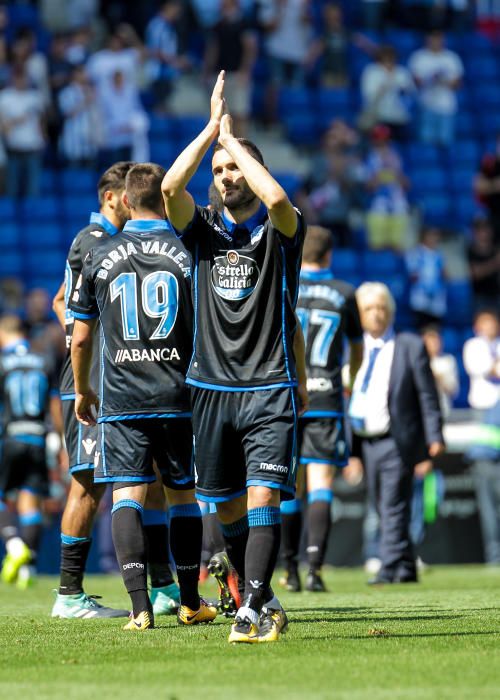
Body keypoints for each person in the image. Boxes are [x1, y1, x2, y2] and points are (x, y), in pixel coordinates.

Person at [161, 71, 307, 643]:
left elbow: (275, 197)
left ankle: (248, 613)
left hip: (268, 386)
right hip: (211, 389)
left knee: (263, 495)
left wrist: (234, 141)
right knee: (223, 509)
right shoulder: (200, 234)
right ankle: (261, 596)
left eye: (233, 169)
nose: (224, 177)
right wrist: (210, 132)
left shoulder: (281, 231)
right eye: (219, 172)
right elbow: (172, 189)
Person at [70, 162, 217, 631]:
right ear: (166, 198)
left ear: (126, 200)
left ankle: (139, 609)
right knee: (182, 498)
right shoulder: (188, 250)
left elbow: (79, 339)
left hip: (123, 398)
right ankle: (191, 601)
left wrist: (82, 390)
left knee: (127, 496)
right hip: (178, 396)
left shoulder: (100, 254)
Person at [51, 162, 177, 620]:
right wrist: (76, 343)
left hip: (118, 380)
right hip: (89, 384)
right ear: (113, 198)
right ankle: (68, 592)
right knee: (88, 484)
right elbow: (71, 309)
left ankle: (164, 585)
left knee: (155, 482)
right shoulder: (96, 241)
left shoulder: (103, 246)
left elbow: (59, 300)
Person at [280, 226, 363, 592]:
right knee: (320, 486)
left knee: (288, 486)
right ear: (330, 255)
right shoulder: (345, 293)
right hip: (327, 397)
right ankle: (315, 569)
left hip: (289, 396)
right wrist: (349, 379)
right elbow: (358, 349)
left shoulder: (285, 285)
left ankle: (290, 571)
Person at [349, 282, 444, 583]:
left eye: (381, 308)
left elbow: (427, 395)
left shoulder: (409, 345)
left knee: (391, 503)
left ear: (390, 312)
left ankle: (388, 564)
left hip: (397, 438)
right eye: (368, 309)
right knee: (383, 502)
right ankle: (405, 566)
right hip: (365, 439)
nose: (375, 315)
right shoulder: (354, 349)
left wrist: (434, 436)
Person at [0, 315, 63, 588]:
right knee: (30, 501)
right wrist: (59, 441)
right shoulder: (43, 360)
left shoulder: (2, 361)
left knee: (2, 498)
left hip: (10, 437)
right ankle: (29, 568)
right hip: (38, 438)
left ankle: (14, 546)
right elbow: (55, 405)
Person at [203, 0, 257, 136]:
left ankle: (242, 147)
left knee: (240, 113)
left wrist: (245, 71)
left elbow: (250, 48)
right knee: (220, 116)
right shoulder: (217, 25)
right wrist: (207, 71)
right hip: (220, 75)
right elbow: (213, 50)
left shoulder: (245, 24)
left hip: (237, 75)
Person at [408, 31, 463, 147]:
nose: (436, 42)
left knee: (446, 143)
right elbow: (415, 82)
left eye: (439, 39)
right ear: (427, 39)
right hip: (425, 105)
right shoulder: (419, 57)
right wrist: (431, 79)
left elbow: (458, 84)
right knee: (425, 144)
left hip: (447, 107)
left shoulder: (451, 58)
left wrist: (444, 81)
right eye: (433, 38)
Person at [0, 67, 46, 198]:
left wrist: (43, 137)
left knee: (33, 188)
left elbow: (41, 121)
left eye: (24, 77)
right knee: (12, 188)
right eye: (18, 77)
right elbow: (2, 123)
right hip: (13, 148)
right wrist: (17, 121)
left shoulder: (35, 96)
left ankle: (33, 215)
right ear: (13, 79)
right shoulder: (4, 96)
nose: (21, 81)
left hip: (33, 147)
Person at [364, 125, 410, 251]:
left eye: (384, 138)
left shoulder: (397, 156)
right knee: (376, 246)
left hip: (397, 202)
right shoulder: (370, 158)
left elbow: (407, 183)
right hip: (378, 202)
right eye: (378, 138)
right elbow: (368, 186)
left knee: (397, 246)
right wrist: (378, 177)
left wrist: (396, 175)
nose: (381, 141)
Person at [360, 45, 414, 141]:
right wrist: (384, 87)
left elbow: (411, 92)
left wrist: (403, 90)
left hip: (399, 117)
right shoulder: (372, 72)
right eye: (385, 59)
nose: (389, 62)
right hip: (379, 116)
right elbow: (368, 95)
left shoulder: (402, 72)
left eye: (391, 59)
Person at [406, 225, 447, 328]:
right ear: (424, 236)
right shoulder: (415, 253)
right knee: (422, 330)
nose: (435, 238)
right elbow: (412, 275)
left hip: (437, 302)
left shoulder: (439, 255)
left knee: (435, 331)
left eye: (437, 235)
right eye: (432, 235)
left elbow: (445, 275)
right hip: (420, 300)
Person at [463, 310, 500, 411]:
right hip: (482, 400)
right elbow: (477, 369)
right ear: (477, 327)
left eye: (492, 323)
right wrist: (493, 367)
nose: (490, 326)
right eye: (486, 323)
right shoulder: (472, 345)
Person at [421, 325, 459, 418]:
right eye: (430, 341)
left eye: (436, 340)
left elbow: (453, 390)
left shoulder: (448, 360)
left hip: (443, 409)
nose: (434, 344)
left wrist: (439, 378)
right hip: (422, 410)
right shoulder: (417, 362)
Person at [467, 215, 500, 312]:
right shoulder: (470, 251)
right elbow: (474, 273)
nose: (484, 233)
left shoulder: (496, 250)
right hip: (479, 299)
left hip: (497, 296)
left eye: (486, 229)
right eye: (480, 230)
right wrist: (495, 262)